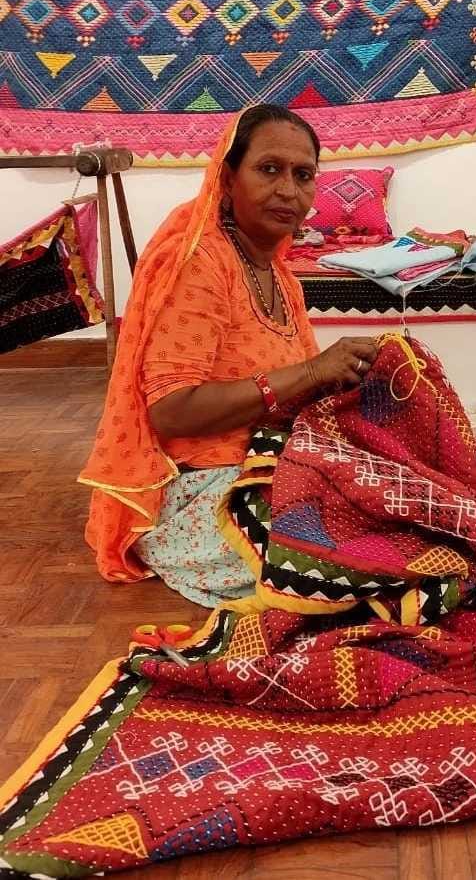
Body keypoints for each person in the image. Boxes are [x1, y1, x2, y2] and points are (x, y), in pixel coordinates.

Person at [79, 105, 378, 606]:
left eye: (304, 175)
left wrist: (356, 376)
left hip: (269, 465)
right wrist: (310, 371)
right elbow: (171, 411)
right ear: (228, 177)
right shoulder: (199, 260)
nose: (289, 190)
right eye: (269, 169)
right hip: (201, 494)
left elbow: (303, 390)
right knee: (366, 548)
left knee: (415, 490)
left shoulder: (281, 277)